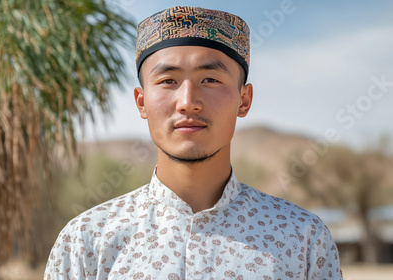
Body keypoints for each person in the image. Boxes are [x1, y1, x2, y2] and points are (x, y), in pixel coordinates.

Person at [44, 6, 342, 280]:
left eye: (210, 80)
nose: (188, 102)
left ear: (244, 99)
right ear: (141, 102)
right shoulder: (86, 241)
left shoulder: (301, 238)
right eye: (168, 81)